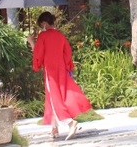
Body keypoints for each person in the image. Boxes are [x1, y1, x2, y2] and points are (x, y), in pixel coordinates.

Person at [27, 12, 91, 140]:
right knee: (58, 96)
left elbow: (38, 54)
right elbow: (68, 53)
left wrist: (31, 42)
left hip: (50, 71)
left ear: (44, 23)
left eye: (41, 25)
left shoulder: (43, 36)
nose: (41, 27)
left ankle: (70, 122)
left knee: (53, 98)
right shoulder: (61, 36)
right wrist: (67, 67)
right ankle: (54, 128)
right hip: (61, 70)